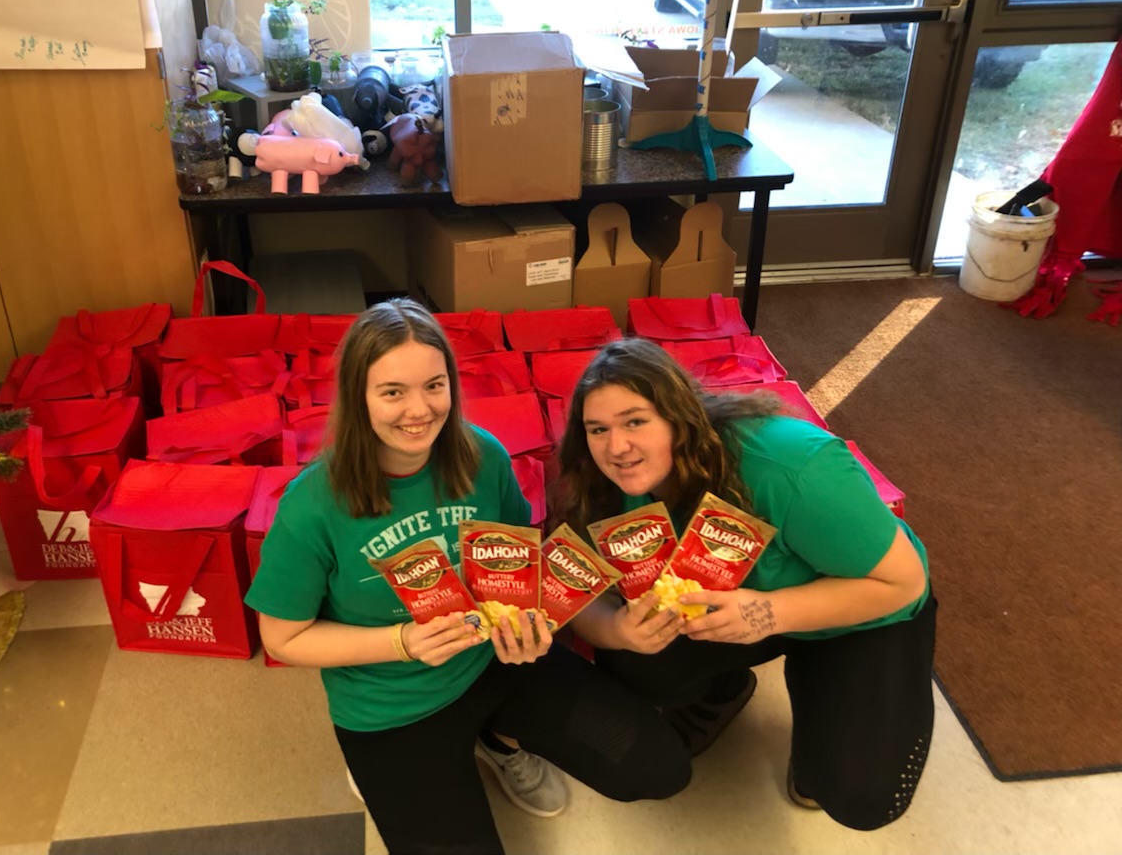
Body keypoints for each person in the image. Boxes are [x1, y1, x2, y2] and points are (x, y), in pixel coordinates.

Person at [245, 302, 690, 855]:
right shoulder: (311, 506)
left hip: (494, 661)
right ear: (358, 397)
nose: (418, 410)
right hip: (391, 706)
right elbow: (282, 637)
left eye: (434, 386)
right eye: (392, 392)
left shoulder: (484, 456)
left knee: (658, 768)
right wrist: (402, 642)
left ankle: (498, 741)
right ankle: (385, 771)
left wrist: (531, 621)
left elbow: (510, 569)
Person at [557, 338, 935, 832]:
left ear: (680, 415)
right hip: (724, 615)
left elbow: (904, 583)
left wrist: (767, 613)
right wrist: (617, 631)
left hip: (859, 612)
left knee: (862, 795)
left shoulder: (790, 466)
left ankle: (824, 712)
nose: (616, 447)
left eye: (635, 421)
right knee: (631, 662)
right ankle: (725, 691)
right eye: (597, 429)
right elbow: (577, 593)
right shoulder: (600, 483)